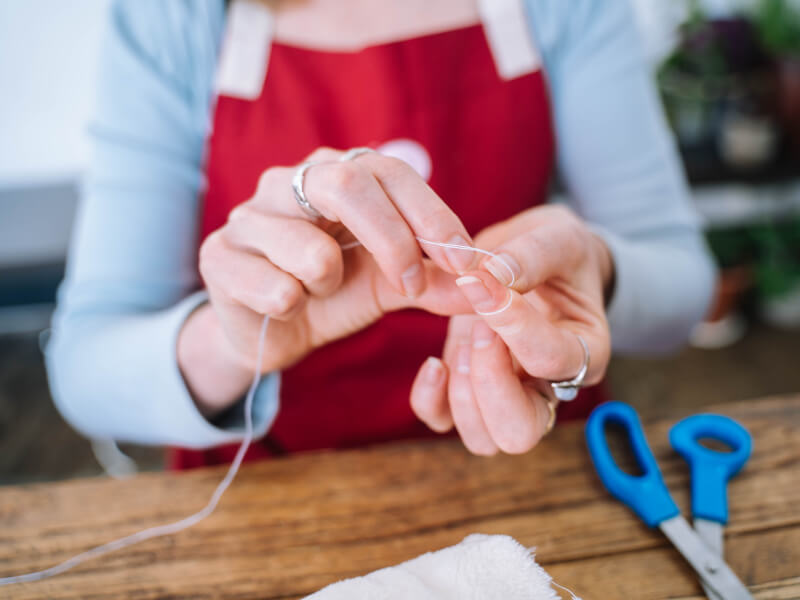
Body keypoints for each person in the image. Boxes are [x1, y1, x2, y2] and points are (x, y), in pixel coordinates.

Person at [46, 0, 715, 466]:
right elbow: (85, 371)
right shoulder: (176, 16)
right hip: (265, 497)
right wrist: (229, 344)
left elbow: (683, 288)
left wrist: (593, 266)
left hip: (535, 463)